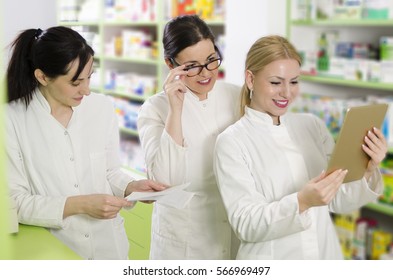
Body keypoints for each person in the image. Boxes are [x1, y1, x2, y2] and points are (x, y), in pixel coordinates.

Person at [213, 35, 387, 260]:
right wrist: (302, 201)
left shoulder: (311, 125)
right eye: (276, 82)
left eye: (293, 81)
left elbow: (339, 200)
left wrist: (368, 167)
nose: (287, 92)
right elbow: (246, 223)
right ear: (250, 79)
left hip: (325, 256)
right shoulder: (232, 141)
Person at [5, 26, 166, 260]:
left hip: (110, 248)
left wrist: (132, 187)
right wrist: (79, 205)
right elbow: (15, 203)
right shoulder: (11, 119)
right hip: (55, 252)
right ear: (42, 77)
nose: (87, 90)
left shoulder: (101, 107)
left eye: (89, 77)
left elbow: (110, 172)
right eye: (76, 82)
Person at [137, 15, 241, 259]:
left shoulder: (235, 96)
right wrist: (176, 109)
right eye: (192, 66)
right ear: (171, 64)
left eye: (211, 60)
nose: (205, 73)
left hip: (231, 229)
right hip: (183, 242)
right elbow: (164, 181)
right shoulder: (155, 109)